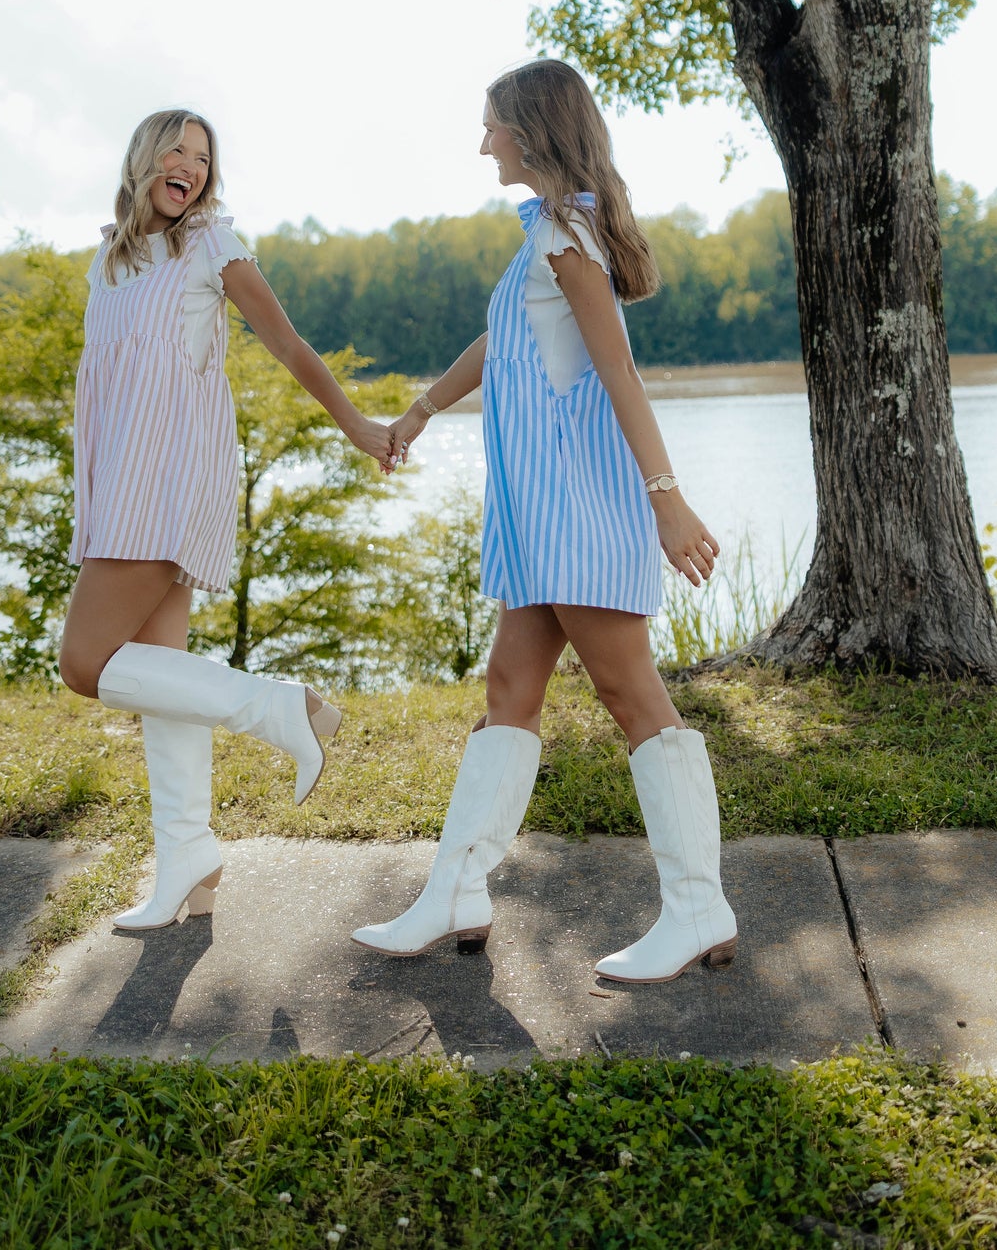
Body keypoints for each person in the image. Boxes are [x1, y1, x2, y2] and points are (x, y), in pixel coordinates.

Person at [352, 59, 736, 983]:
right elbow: (503, 341)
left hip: (578, 503)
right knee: (507, 692)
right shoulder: (545, 236)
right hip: (535, 512)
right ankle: (456, 893)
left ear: (527, 132)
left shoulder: (567, 234)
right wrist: (420, 410)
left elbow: (619, 373)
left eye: (489, 125)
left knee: (629, 696)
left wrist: (667, 498)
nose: (480, 141)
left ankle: (696, 907)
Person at [58, 107, 394, 934]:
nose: (190, 166)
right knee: (158, 671)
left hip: (169, 479)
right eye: (175, 150)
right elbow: (103, 391)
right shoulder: (110, 258)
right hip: (120, 485)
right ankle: (188, 858)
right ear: (142, 159)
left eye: (202, 157)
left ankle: (283, 711)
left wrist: (357, 427)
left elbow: (285, 343)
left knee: (83, 663)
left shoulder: (214, 242)